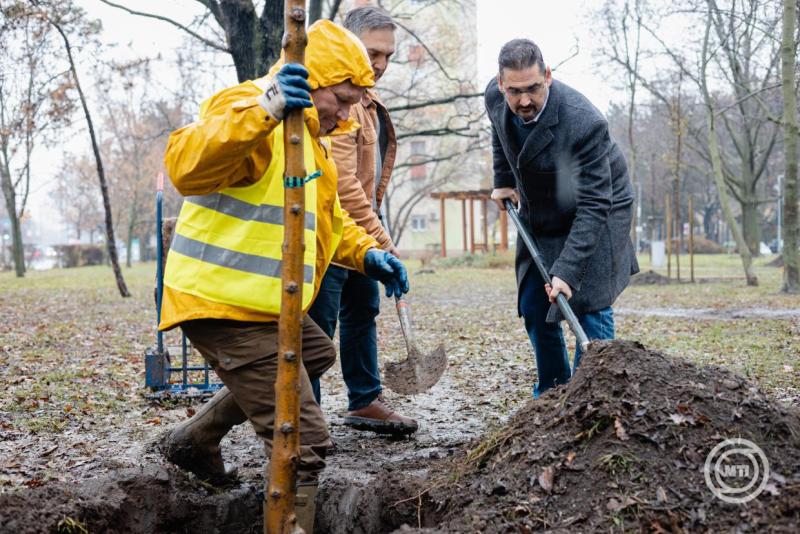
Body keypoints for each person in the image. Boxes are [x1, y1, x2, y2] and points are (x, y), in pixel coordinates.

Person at [158, 20, 409, 531]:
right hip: (222, 303)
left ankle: (194, 440)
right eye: (341, 98)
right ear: (312, 78)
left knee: (316, 352)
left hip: (264, 306)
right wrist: (265, 109)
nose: (347, 114)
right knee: (306, 440)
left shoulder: (312, 141)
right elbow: (185, 166)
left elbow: (326, 224)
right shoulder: (251, 108)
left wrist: (367, 256)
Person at [486, 39, 639, 397]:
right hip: (543, 203)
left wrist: (567, 273)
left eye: (533, 89)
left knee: (588, 302)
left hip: (599, 204)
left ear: (548, 77)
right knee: (534, 304)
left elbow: (594, 204)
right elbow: (499, 131)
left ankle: (593, 399)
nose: (524, 101)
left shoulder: (583, 122)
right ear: (501, 84)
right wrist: (504, 180)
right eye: (515, 91)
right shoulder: (495, 97)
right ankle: (552, 398)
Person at [307, 5, 418, 435]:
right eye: (374, 52)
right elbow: (343, 188)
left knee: (362, 311)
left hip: (359, 233)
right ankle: (305, 415)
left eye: (388, 55)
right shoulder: (336, 101)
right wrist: (382, 243)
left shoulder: (367, 103)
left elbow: (368, 185)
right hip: (330, 235)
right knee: (317, 327)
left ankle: (365, 401)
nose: (381, 64)